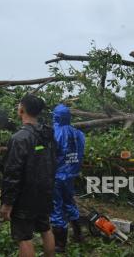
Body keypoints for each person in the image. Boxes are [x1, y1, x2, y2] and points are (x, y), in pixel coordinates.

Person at [0, 94, 57, 257]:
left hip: (25, 197)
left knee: (24, 238)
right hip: (45, 191)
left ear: (22, 110)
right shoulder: (48, 135)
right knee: (46, 229)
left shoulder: (19, 138)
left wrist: (7, 203)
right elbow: (53, 161)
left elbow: (12, 173)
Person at [50, 104, 85, 253]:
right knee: (69, 203)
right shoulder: (79, 134)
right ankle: (78, 234)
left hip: (56, 177)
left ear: (56, 116)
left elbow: (48, 154)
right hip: (71, 175)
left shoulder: (54, 133)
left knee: (56, 207)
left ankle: (60, 245)